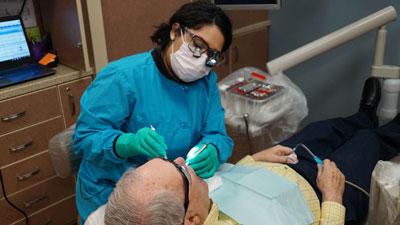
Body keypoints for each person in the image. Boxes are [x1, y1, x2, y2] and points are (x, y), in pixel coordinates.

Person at [86, 77, 400, 225]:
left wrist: (252, 160)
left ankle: (364, 116)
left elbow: (225, 184)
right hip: (319, 193)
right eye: (181, 170)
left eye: (169, 160)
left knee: (325, 129)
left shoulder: (178, 206)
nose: (183, 159)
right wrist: (332, 198)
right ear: (192, 219)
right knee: (368, 144)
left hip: (272, 168)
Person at [73, 1, 234, 222]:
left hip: (174, 196)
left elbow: (218, 134)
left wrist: (214, 149)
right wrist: (125, 144)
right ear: (175, 31)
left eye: (213, 56)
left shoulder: (206, 83)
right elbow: (84, 139)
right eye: (198, 45)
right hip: (112, 194)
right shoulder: (122, 77)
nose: (203, 61)